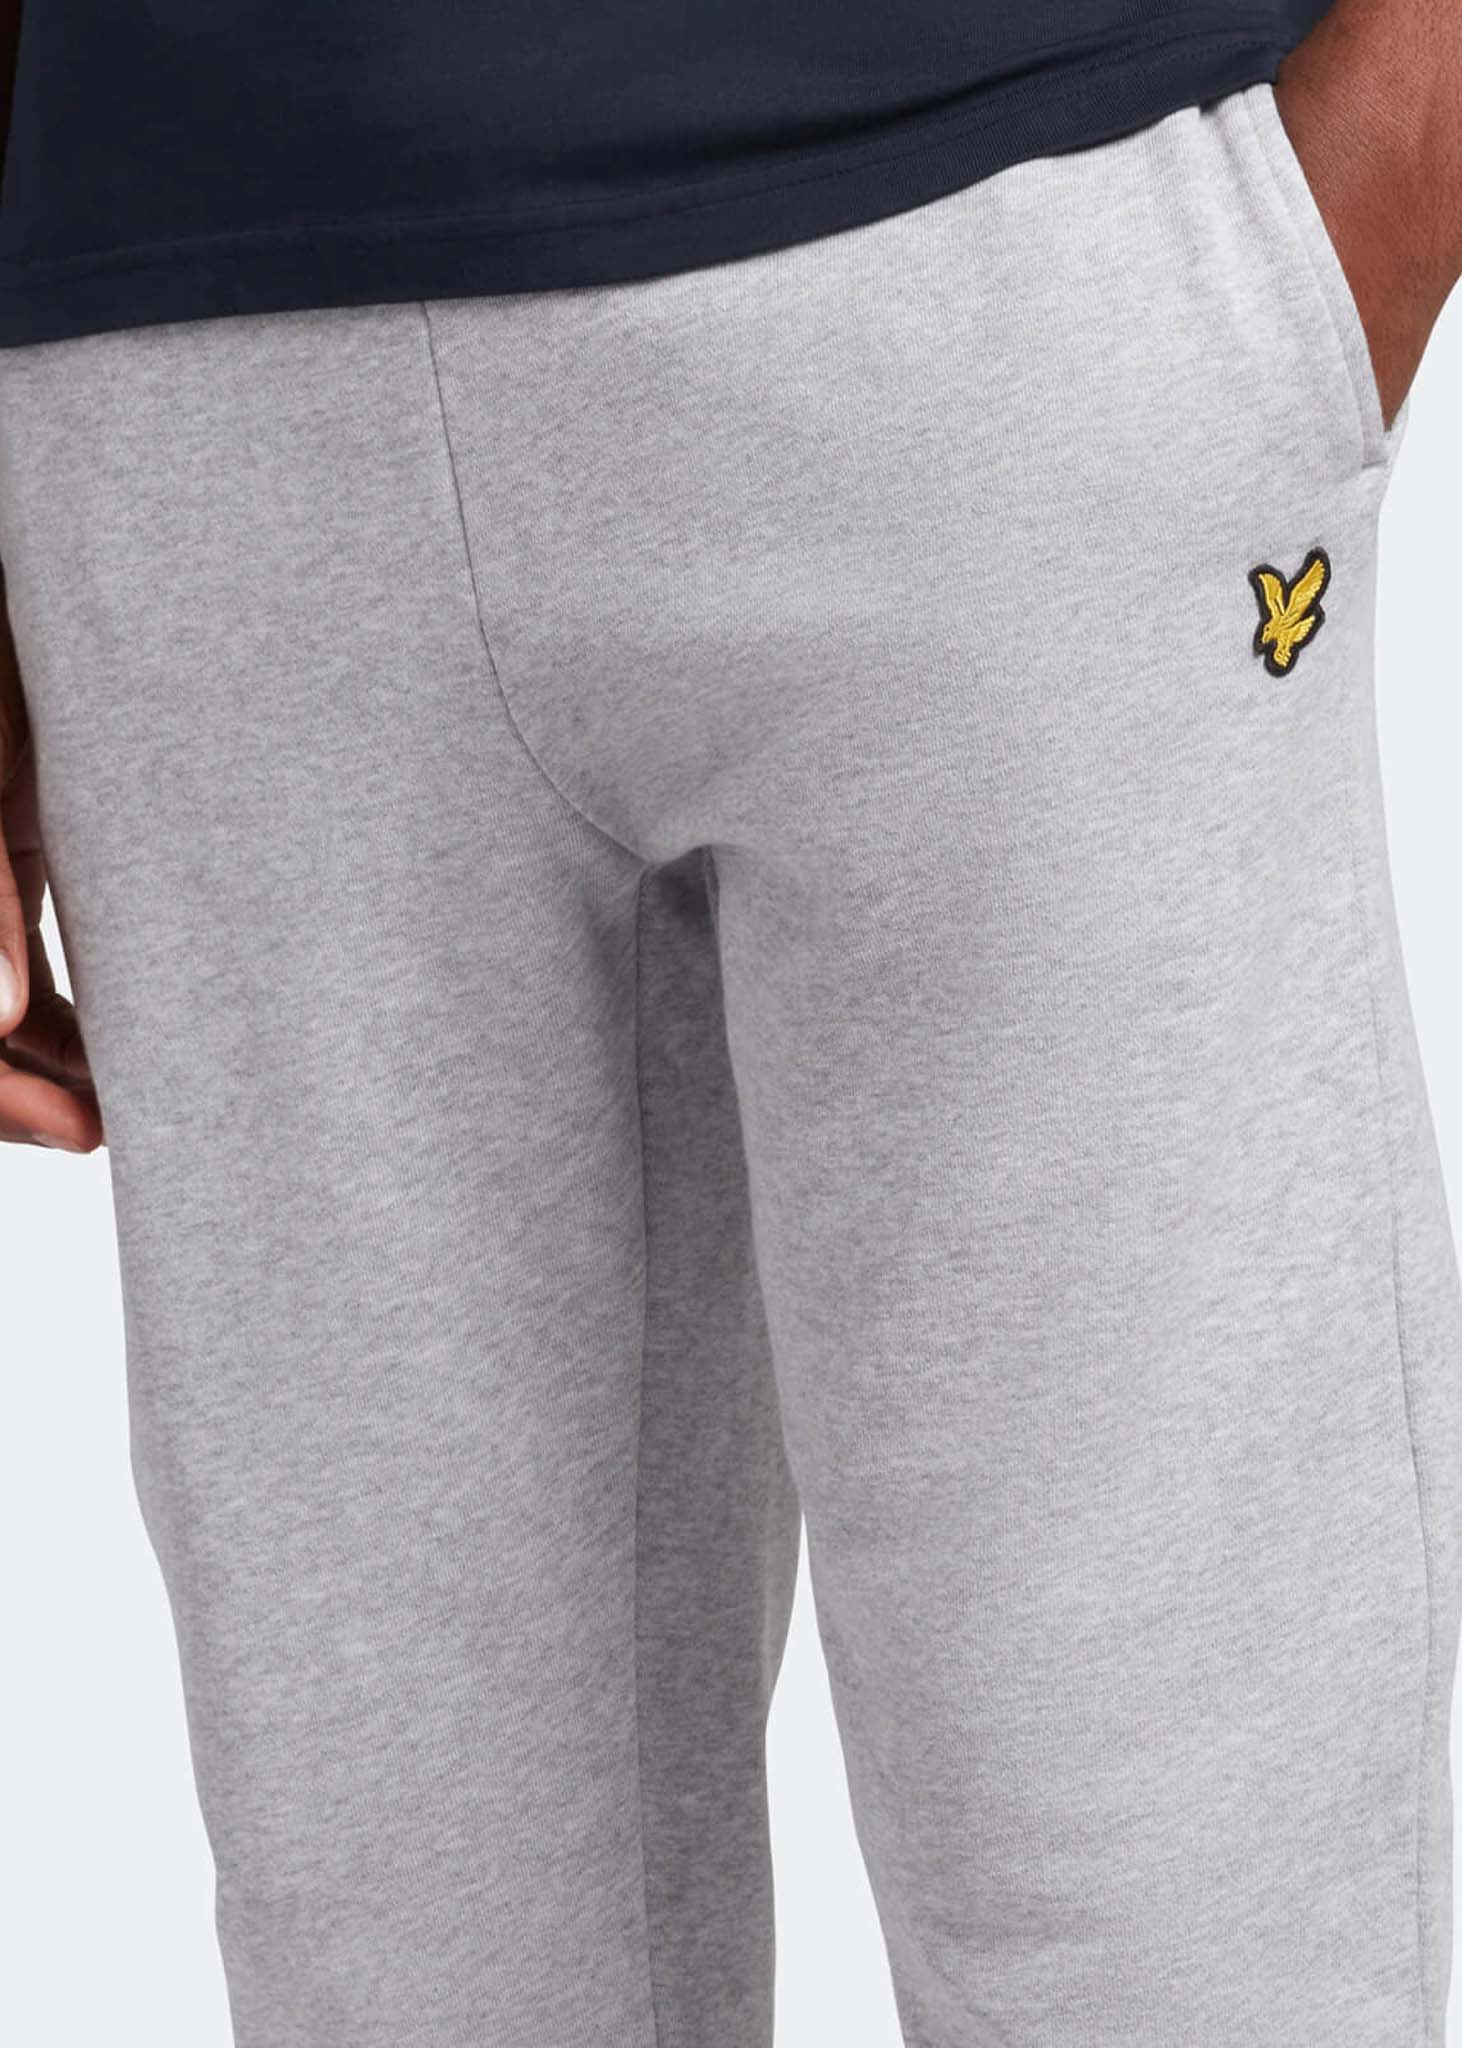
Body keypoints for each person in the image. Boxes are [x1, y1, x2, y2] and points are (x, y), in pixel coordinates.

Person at [0, 1, 1458, 2041]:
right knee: (411, 1949)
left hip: (995, 256)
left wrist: (1377, 176)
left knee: (1164, 1887)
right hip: (190, 384)